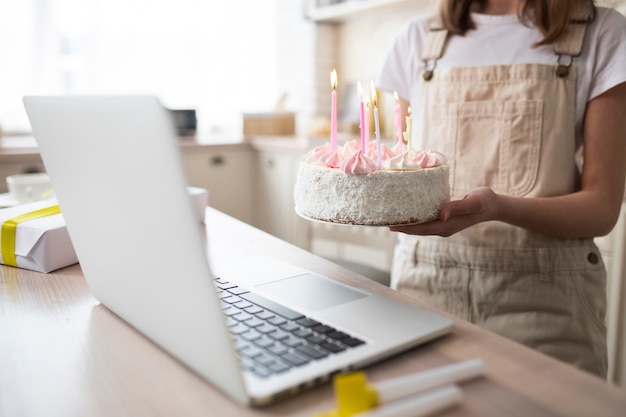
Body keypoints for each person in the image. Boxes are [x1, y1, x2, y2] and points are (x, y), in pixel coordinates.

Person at [376, 0, 626, 378]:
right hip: (423, 291)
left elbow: (602, 208)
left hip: (547, 304)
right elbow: (402, 172)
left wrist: (500, 208)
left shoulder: (603, 32)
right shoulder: (417, 39)